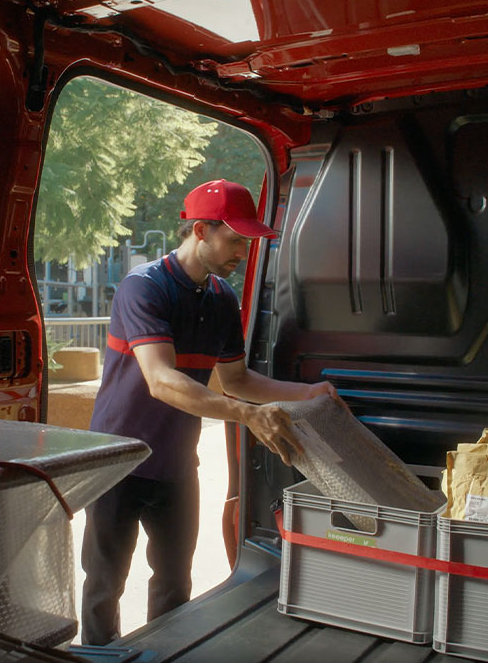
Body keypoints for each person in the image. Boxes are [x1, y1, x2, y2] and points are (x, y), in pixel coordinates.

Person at [80, 179, 340, 645]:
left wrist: (307, 393)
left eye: (247, 240)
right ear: (200, 230)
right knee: (104, 586)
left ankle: (165, 655)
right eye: (234, 239)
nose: (242, 251)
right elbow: (161, 381)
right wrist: (245, 415)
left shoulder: (222, 299)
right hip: (117, 461)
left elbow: (238, 380)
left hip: (178, 465)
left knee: (176, 586)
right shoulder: (143, 289)